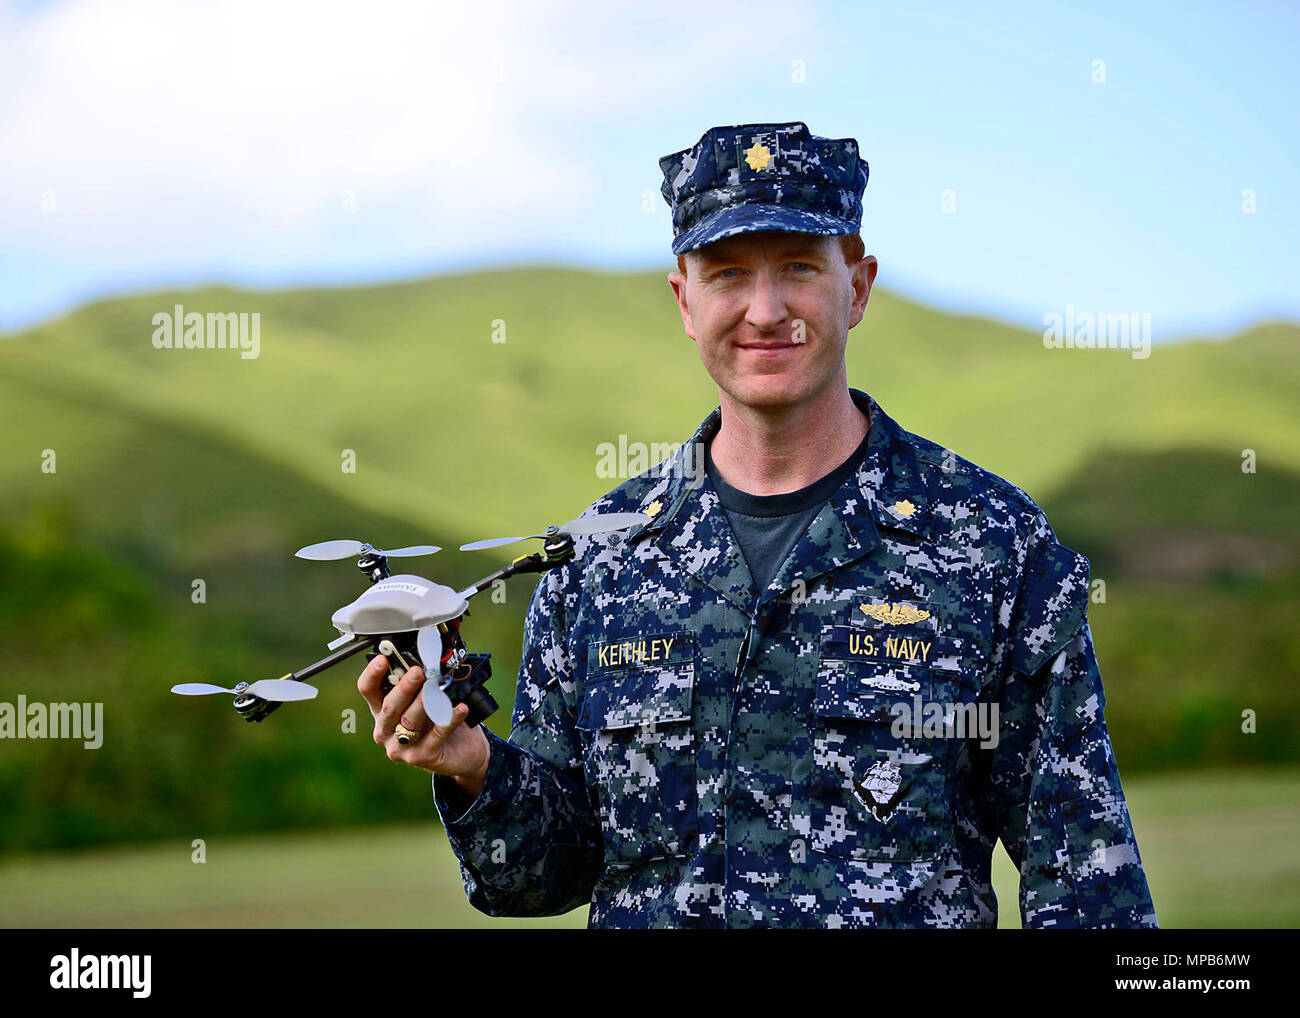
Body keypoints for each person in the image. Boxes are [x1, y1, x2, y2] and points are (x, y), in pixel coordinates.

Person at [355, 121, 1158, 929]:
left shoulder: (991, 543)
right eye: (728, 272)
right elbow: (541, 877)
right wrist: (472, 768)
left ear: (859, 286)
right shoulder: (597, 560)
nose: (764, 310)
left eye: (799, 268)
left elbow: (1083, 869)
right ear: (685, 300)